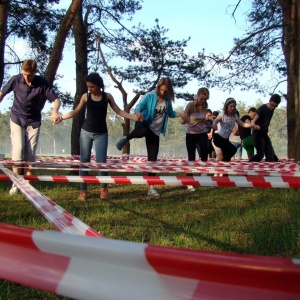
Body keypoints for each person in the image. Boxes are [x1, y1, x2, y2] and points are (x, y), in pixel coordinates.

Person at [57, 72, 141, 200]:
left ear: (99, 85)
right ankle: (83, 190)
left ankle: (104, 188)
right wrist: (61, 117)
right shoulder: (86, 97)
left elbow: (119, 111)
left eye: (92, 87)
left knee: (101, 162)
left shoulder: (107, 97)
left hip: (101, 134)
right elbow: (76, 111)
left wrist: (135, 118)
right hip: (86, 132)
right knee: (84, 161)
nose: (90, 89)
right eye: (88, 87)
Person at [0, 59, 61, 195]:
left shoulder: (41, 82)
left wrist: (54, 111)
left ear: (35, 72)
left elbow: (56, 99)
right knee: (18, 150)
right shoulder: (15, 80)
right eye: (25, 74)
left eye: (30, 75)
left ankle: (27, 185)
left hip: (34, 120)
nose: (27, 77)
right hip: (17, 118)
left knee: (30, 154)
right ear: (22, 71)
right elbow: (2, 94)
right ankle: (16, 183)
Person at [116, 77, 183, 197]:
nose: (162, 93)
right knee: (143, 130)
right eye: (161, 90)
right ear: (158, 87)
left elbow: (171, 113)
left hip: (155, 132)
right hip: (144, 122)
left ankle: (151, 188)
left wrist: (181, 114)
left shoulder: (167, 100)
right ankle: (126, 138)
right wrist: (138, 113)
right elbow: (139, 106)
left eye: (165, 91)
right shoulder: (150, 95)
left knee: (152, 160)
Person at [182, 87, 209, 191]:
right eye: (201, 99)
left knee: (205, 149)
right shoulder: (191, 105)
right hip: (191, 133)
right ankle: (189, 182)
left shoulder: (205, 105)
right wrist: (184, 119)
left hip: (202, 132)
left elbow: (203, 120)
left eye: (205, 99)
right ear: (197, 96)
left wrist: (211, 126)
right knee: (191, 157)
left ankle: (203, 174)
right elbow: (185, 116)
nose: (203, 101)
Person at [250, 94, 281, 162]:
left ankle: (272, 168)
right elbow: (253, 122)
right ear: (269, 101)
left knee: (270, 155)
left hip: (264, 133)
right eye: (272, 105)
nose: (273, 107)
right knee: (260, 154)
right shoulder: (262, 108)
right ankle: (248, 167)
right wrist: (254, 125)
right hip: (257, 134)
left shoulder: (272, 109)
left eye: (275, 106)